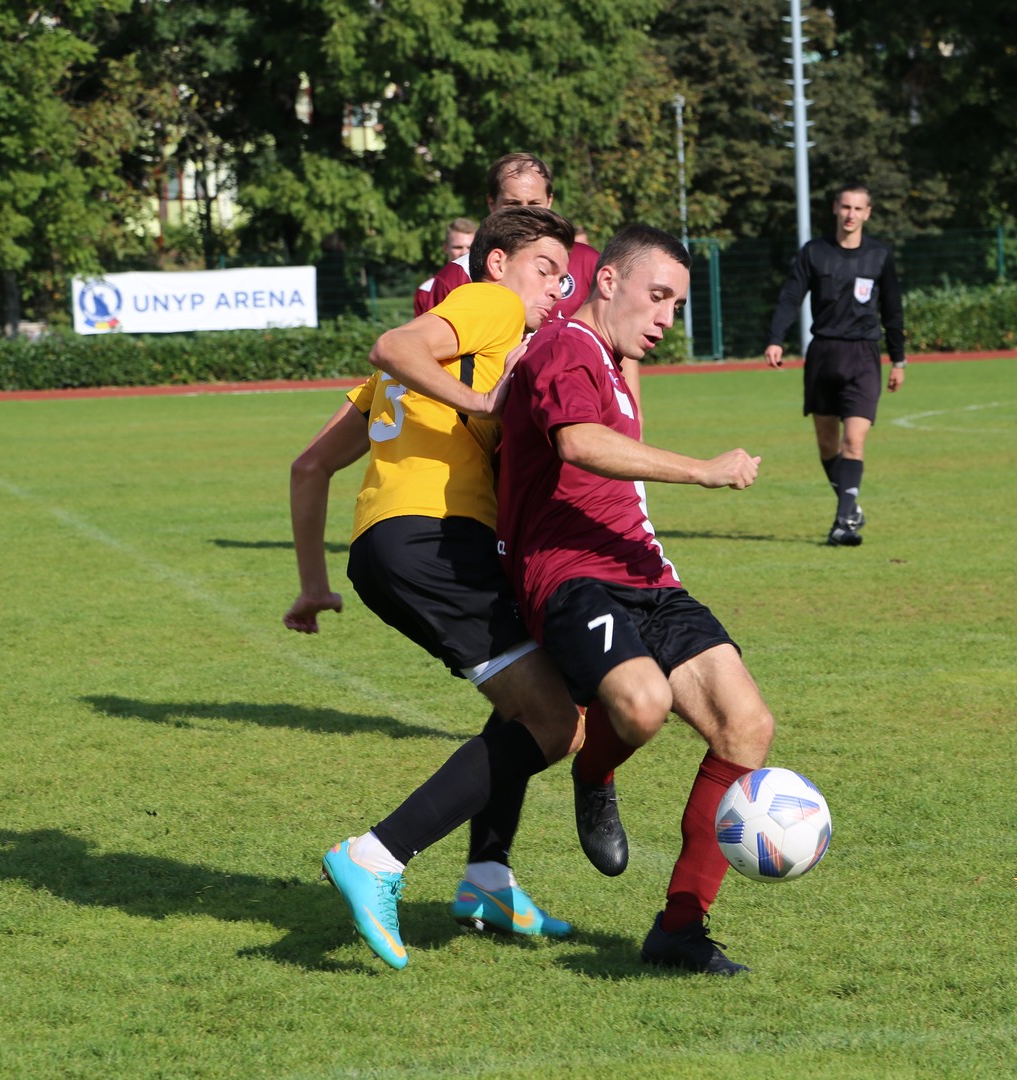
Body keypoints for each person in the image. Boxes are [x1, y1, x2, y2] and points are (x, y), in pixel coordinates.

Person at [283, 206, 622, 969]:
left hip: (390, 545)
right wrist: (487, 404)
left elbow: (309, 467)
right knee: (553, 721)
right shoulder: (488, 306)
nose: (556, 289)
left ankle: (487, 879)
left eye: (563, 276)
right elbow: (392, 343)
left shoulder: (434, 363)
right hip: (436, 538)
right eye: (545, 270)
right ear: (496, 263)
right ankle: (377, 855)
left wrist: (312, 584)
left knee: (543, 691)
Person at [497, 225, 776, 975]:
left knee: (747, 726)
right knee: (642, 706)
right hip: (568, 573)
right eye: (657, 297)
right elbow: (577, 442)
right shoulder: (565, 346)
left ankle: (680, 928)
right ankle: (594, 772)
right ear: (609, 281)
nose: (665, 318)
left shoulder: (617, 365)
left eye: (677, 305)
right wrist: (703, 469)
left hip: (646, 571)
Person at [764, 182, 907, 547]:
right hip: (823, 355)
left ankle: (843, 523)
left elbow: (892, 311)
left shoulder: (880, 256)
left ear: (868, 213)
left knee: (853, 442)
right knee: (827, 445)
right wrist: (776, 338)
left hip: (864, 356)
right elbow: (791, 296)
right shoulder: (814, 252)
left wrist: (898, 360)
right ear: (835, 208)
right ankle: (850, 504)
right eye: (845, 207)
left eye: (858, 209)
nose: (850, 215)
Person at [414, 153, 600, 324]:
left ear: (549, 202)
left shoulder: (587, 261)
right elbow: (429, 344)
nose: (526, 214)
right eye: (513, 204)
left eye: (535, 203)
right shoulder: (457, 275)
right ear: (492, 204)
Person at [413, 217, 477, 310]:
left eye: (469, 247)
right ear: (445, 248)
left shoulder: (488, 283)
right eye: (458, 247)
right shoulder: (426, 291)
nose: (464, 253)